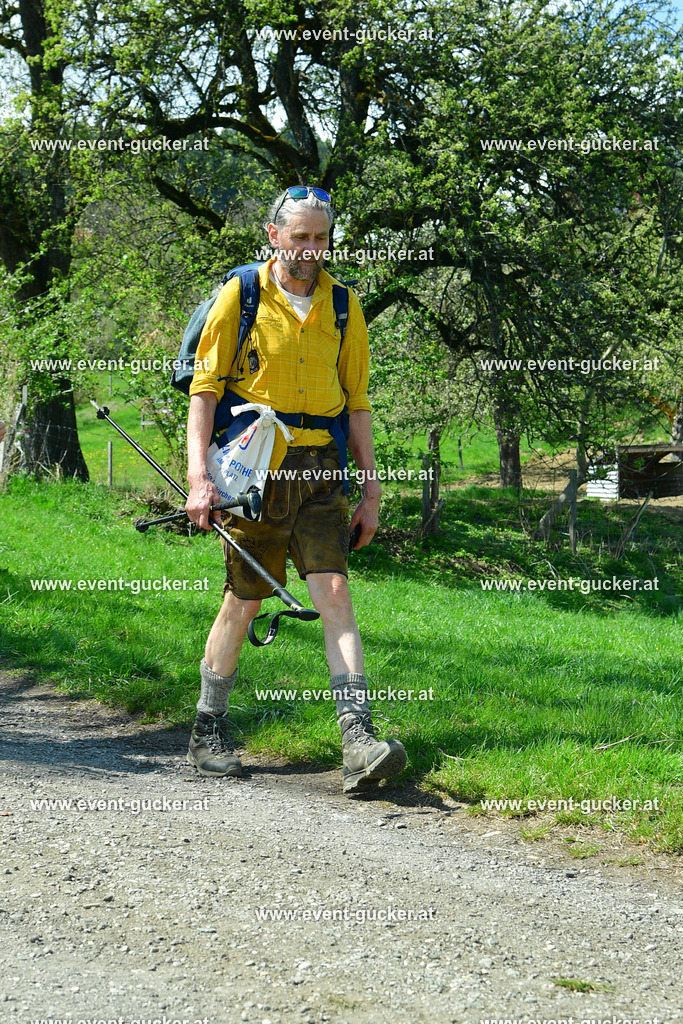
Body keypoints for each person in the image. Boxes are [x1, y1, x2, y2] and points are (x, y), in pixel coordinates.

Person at [184, 185, 407, 793]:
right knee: (246, 597)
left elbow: (356, 402)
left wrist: (370, 491)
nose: (310, 249)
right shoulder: (243, 294)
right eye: (300, 236)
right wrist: (199, 478)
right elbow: (204, 391)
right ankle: (209, 725)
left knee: (333, 589)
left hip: (321, 468)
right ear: (274, 234)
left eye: (320, 237)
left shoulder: (343, 305)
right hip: (255, 468)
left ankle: (358, 738)